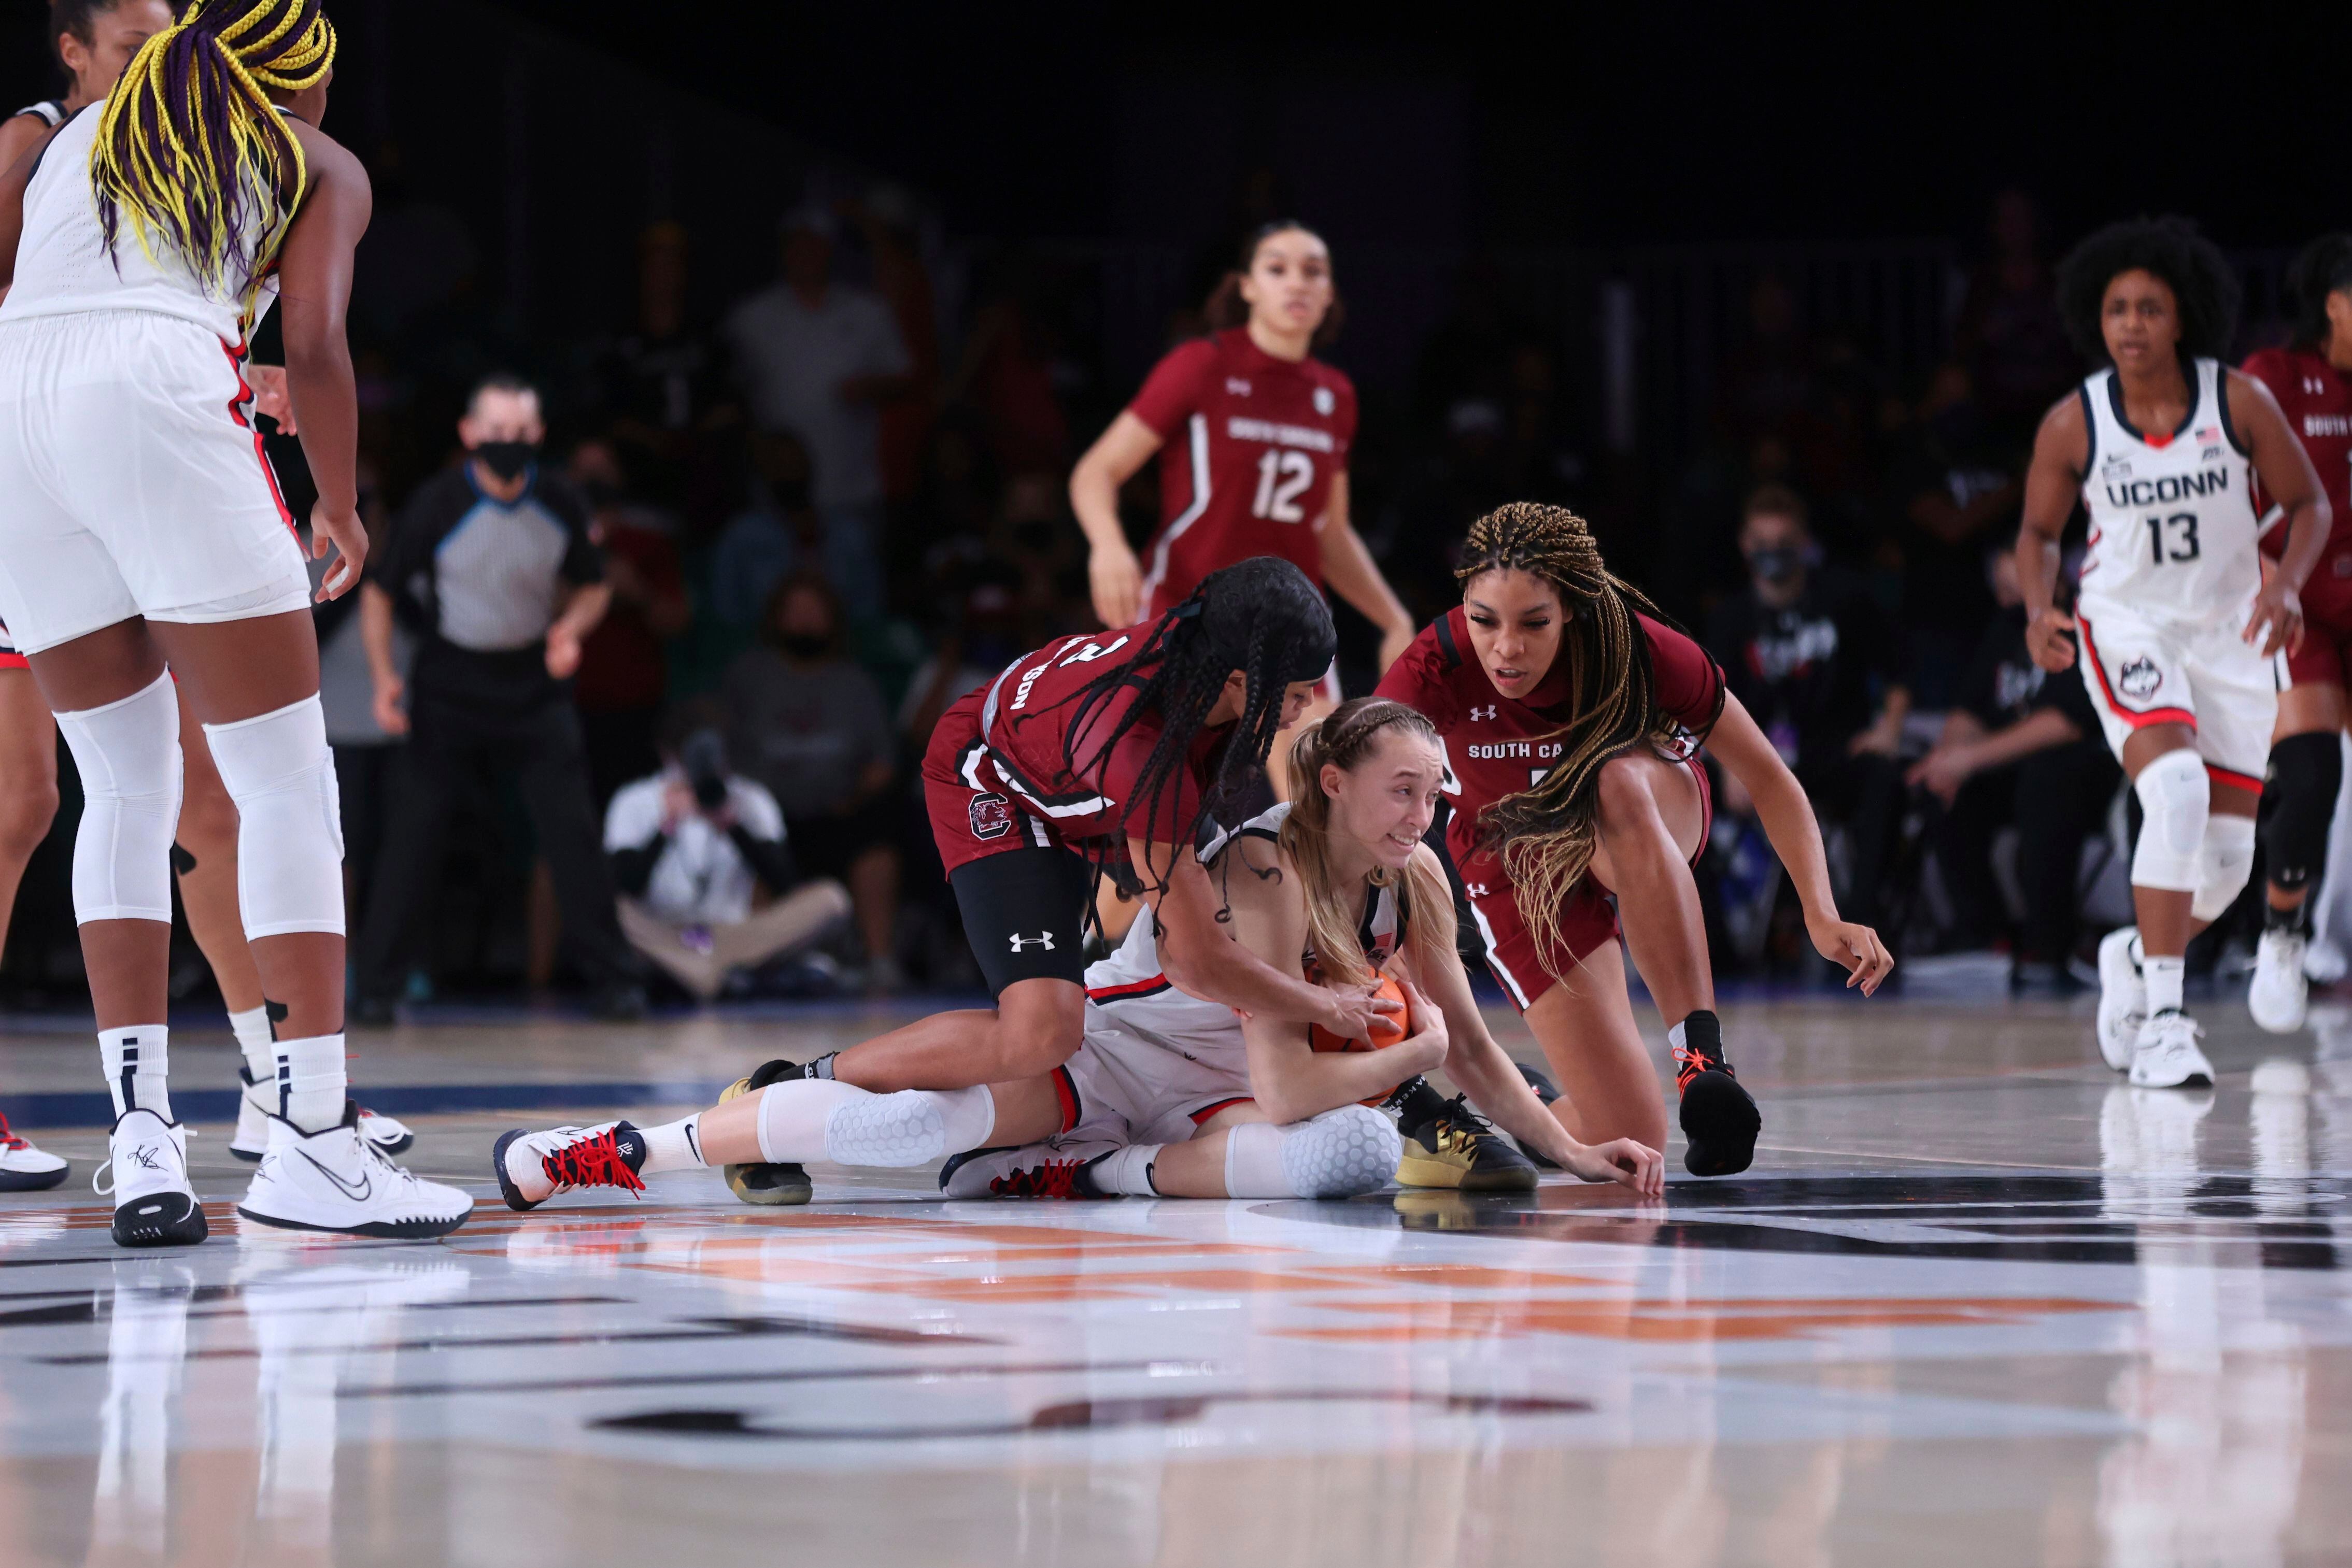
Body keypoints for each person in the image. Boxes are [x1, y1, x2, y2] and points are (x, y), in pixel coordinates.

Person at [488, 700, 1665, 1208]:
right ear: (1333, 782)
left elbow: (1467, 1040)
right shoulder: (1260, 866)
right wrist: (1409, 1048)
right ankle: (625, 1148)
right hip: (1111, 1055)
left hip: (1204, 1103)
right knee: (911, 1134)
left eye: (1435, 791)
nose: (1425, 810)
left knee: (1349, 1158)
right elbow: (1296, 1080)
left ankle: (1099, 1177)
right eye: (1403, 789)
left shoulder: (1410, 880)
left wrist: (1565, 1149)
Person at [0, 0, 473, 1243]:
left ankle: (142, 1139)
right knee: (284, 782)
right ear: (307, 88)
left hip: (18, 417)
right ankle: (309, 1135)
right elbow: (315, 345)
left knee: (124, 790)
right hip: (157, 398)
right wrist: (341, 502)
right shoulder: (316, 158)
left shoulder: (78, 135)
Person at [1378, 503, 1894, 1177]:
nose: (1506, 647)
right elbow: (1360, 804)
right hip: (1517, 859)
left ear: (1572, 608)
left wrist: (1820, 912)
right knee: (1623, 1137)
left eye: (1533, 622)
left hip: (1643, 812)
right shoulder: (1432, 666)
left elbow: (1768, 777)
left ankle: (1701, 1061)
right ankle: (1517, 1105)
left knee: (1614, 779)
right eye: (1484, 621)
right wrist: (1375, 938)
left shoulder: (1637, 648)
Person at [2017, 218, 2329, 1088]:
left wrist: (2287, 584)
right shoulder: (2073, 421)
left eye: (2148, 308)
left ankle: (2131, 952)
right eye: (2116, 308)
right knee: (2177, 791)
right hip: (2127, 624)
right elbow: (2039, 532)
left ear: (2181, 317)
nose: (2130, 324)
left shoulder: (2234, 401)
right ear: (2096, 318)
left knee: (2227, 868)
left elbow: (2308, 508)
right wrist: (2041, 606)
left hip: (2231, 631)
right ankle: (2162, 1018)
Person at [1069, 222, 1417, 790]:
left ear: (1329, 294)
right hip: (1185, 607)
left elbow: (1329, 530)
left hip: (1288, 624)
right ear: (1247, 287)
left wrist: (1392, 616)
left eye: (1312, 271)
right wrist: (1107, 545)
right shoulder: (1200, 364)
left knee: (1326, 803)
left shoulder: (1335, 395)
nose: (1296, 282)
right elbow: (1095, 471)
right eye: (1277, 268)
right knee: (1150, 812)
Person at [353, 373, 644, 1022]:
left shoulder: (563, 500)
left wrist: (570, 629)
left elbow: (594, 586)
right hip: (449, 683)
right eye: (495, 432)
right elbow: (380, 592)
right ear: (470, 434)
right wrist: (384, 678)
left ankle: (615, 980)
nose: (507, 442)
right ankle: (376, 987)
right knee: (414, 832)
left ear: (536, 435)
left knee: (571, 831)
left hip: (533, 687)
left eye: (519, 432)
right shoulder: (437, 503)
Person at [1703, 484, 1911, 933]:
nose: (1771, 553)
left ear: (1803, 544)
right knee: (1680, 788)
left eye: (1783, 542)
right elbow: (1709, 703)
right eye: (1761, 542)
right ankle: (1714, 946)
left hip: (1830, 751)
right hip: (1753, 759)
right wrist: (1726, 769)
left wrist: (1888, 732)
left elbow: (1898, 671)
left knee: (1885, 779)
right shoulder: (1729, 619)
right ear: (1744, 545)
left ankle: (1863, 922)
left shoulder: (1844, 598)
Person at [1906, 548, 2121, 979]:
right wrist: (1948, 758)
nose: (2011, 604)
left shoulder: (2088, 623)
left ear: (2055, 583)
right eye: (2003, 592)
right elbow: (1970, 710)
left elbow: (2065, 723)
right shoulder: (2005, 626)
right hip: (2011, 768)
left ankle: (2048, 945)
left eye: (2019, 592)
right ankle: (1982, 936)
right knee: (1941, 783)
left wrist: (1970, 758)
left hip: (2086, 771)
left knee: (2048, 778)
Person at [2238, 234, 2352, 1032]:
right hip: (2297, 604)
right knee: (2310, 774)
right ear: (2334, 303)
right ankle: (2282, 933)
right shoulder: (2274, 378)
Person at [722, 206, 911, 616]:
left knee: (854, 603)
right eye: (797, 243)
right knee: (772, 601)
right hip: (775, 494)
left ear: (830, 251)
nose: (806, 253)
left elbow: (905, 380)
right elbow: (731, 397)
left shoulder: (869, 313)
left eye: (815, 244)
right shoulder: (752, 318)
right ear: (784, 250)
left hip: (851, 488)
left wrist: (869, 386)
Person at [722, 574, 901, 990]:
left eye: (813, 613)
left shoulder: (854, 684)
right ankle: (746, 965)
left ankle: (880, 962)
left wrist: (853, 798)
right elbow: (726, 753)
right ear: (776, 619)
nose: (804, 624)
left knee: (879, 843)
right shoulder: (749, 678)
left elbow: (883, 765)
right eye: (794, 613)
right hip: (769, 820)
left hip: (841, 814)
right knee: (746, 847)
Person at [605, 713, 849, 1001]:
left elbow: (785, 883)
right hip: (665, 935)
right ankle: (729, 977)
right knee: (603, 905)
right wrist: (665, 828)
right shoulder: (636, 799)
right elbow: (624, 884)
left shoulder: (750, 797)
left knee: (831, 898)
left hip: (735, 936)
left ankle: (702, 977)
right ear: (666, 754)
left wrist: (733, 826)